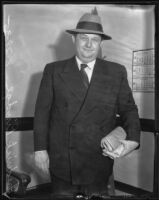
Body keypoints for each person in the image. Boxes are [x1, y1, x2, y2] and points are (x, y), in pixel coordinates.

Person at [34, 8, 140, 199]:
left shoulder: (116, 72)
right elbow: (42, 113)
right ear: (74, 40)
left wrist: (132, 139)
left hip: (98, 160)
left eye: (95, 39)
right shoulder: (53, 71)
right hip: (62, 161)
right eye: (84, 38)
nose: (89, 44)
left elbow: (129, 110)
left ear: (101, 44)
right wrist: (40, 149)